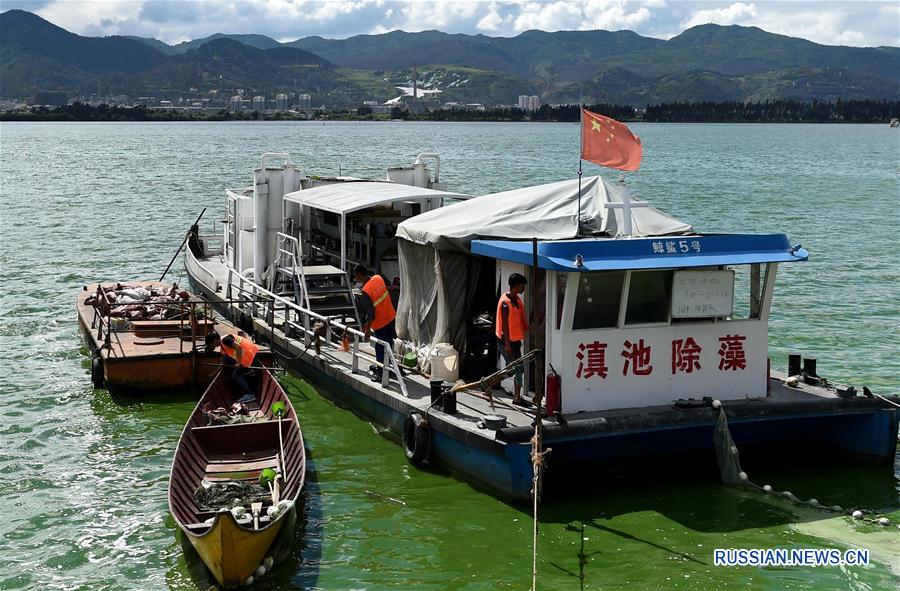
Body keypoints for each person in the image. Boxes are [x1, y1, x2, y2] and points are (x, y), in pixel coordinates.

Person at [354, 265, 396, 382]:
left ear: (359, 275)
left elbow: (370, 314)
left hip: (380, 322)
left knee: (380, 346)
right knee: (389, 342)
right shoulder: (378, 278)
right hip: (390, 315)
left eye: (356, 276)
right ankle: (392, 367)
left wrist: (367, 330)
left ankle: (382, 373)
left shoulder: (366, 291)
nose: (355, 278)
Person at [496, 273, 531, 407]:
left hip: (515, 341)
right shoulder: (506, 302)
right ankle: (517, 397)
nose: (524, 288)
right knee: (518, 369)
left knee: (514, 370)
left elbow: (520, 319)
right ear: (516, 286)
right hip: (507, 342)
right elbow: (505, 324)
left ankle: (490, 383)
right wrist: (507, 345)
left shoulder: (517, 300)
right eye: (523, 286)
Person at [206, 332, 260, 403]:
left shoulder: (225, 340)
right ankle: (248, 372)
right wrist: (212, 374)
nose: (211, 346)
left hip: (249, 356)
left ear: (214, 340)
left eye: (210, 344)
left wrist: (238, 362)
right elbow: (222, 363)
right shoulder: (223, 347)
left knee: (235, 375)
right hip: (249, 355)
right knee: (226, 359)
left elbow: (238, 347)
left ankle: (250, 394)